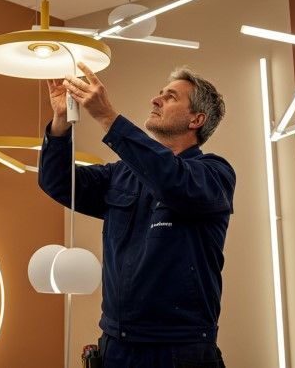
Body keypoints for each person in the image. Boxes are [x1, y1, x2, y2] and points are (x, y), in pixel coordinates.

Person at [38, 62, 235, 368]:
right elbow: (58, 182)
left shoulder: (214, 175)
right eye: (159, 94)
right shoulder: (122, 175)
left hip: (178, 350)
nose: (156, 100)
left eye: (169, 97)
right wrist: (61, 122)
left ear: (197, 119)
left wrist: (107, 117)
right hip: (116, 346)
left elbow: (172, 180)